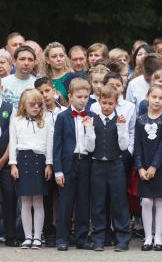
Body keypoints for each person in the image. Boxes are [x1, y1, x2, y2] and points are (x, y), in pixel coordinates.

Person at [84, 85, 131, 252]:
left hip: (115, 164)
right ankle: (99, 238)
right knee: (98, 203)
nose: (106, 106)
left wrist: (121, 127)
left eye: (110, 103)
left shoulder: (119, 119)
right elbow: (89, 148)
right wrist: (89, 129)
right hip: (97, 165)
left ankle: (122, 238)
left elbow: (124, 146)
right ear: (99, 102)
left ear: (116, 103)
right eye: (104, 102)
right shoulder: (93, 119)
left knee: (119, 202)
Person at [53, 78, 94, 251]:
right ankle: (62, 238)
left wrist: (90, 128)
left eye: (86, 97)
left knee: (84, 202)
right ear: (70, 96)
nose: (82, 100)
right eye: (79, 96)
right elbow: (57, 146)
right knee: (66, 202)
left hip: (85, 163)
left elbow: (94, 144)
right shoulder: (62, 117)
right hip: (68, 164)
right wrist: (58, 171)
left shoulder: (92, 117)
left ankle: (81, 238)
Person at [9, 88, 53, 249]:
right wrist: (13, 164)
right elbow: (13, 142)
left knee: (38, 201)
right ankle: (28, 237)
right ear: (23, 105)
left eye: (39, 104)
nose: (36, 107)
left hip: (39, 160)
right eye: (32, 104)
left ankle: (37, 237)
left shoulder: (46, 120)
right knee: (25, 201)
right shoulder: (16, 120)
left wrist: (49, 163)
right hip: (23, 159)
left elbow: (49, 142)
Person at [134, 84, 162, 251]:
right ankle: (148, 236)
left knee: (160, 201)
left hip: (161, 166)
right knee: (147, 202)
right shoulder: (140, 119)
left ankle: (158, 237)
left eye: (161, 98)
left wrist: (154, 167)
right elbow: (137, 146)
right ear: (147, 97)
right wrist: (140, 167)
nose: (157, 100)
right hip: (144, 166)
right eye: (154, 97)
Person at [34, 77, 66, 246]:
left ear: (53, 90)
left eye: (47, 91)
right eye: (40, 92)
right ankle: (48, 231)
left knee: (62, 196)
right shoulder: (36, 114)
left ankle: (63, 229)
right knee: (46, 197)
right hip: (43, 160)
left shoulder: (64, 111)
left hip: (62, 159)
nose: (45, 95)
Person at [0, 77, 17, 247]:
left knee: (9, 196)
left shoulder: (9, 107)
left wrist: (4, 159)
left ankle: (11, 234)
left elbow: (13, 135)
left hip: (5, 157)